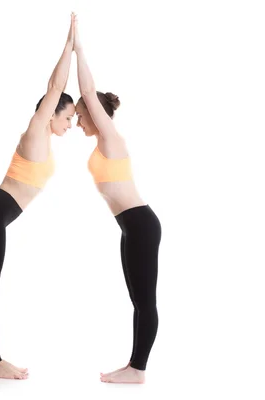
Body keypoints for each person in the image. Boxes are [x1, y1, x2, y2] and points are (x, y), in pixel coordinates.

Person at [0, 13, 76, 380]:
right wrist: (70, 45)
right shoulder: (36, 131)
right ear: (51, 113)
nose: (71, 124)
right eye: (68, 117)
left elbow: (56, 91)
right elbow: (54, 84)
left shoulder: (45, 140)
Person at [72, 14, 161, 384]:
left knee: (145, 300)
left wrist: (77, 49)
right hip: (130, 227)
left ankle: (138, 371)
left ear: (97, 116)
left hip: (140, 223)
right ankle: (132, 366)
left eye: (81, 117)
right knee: (137, 300)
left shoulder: (110, 138)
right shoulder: (101, 142)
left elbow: (89, 94)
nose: (78, 122)